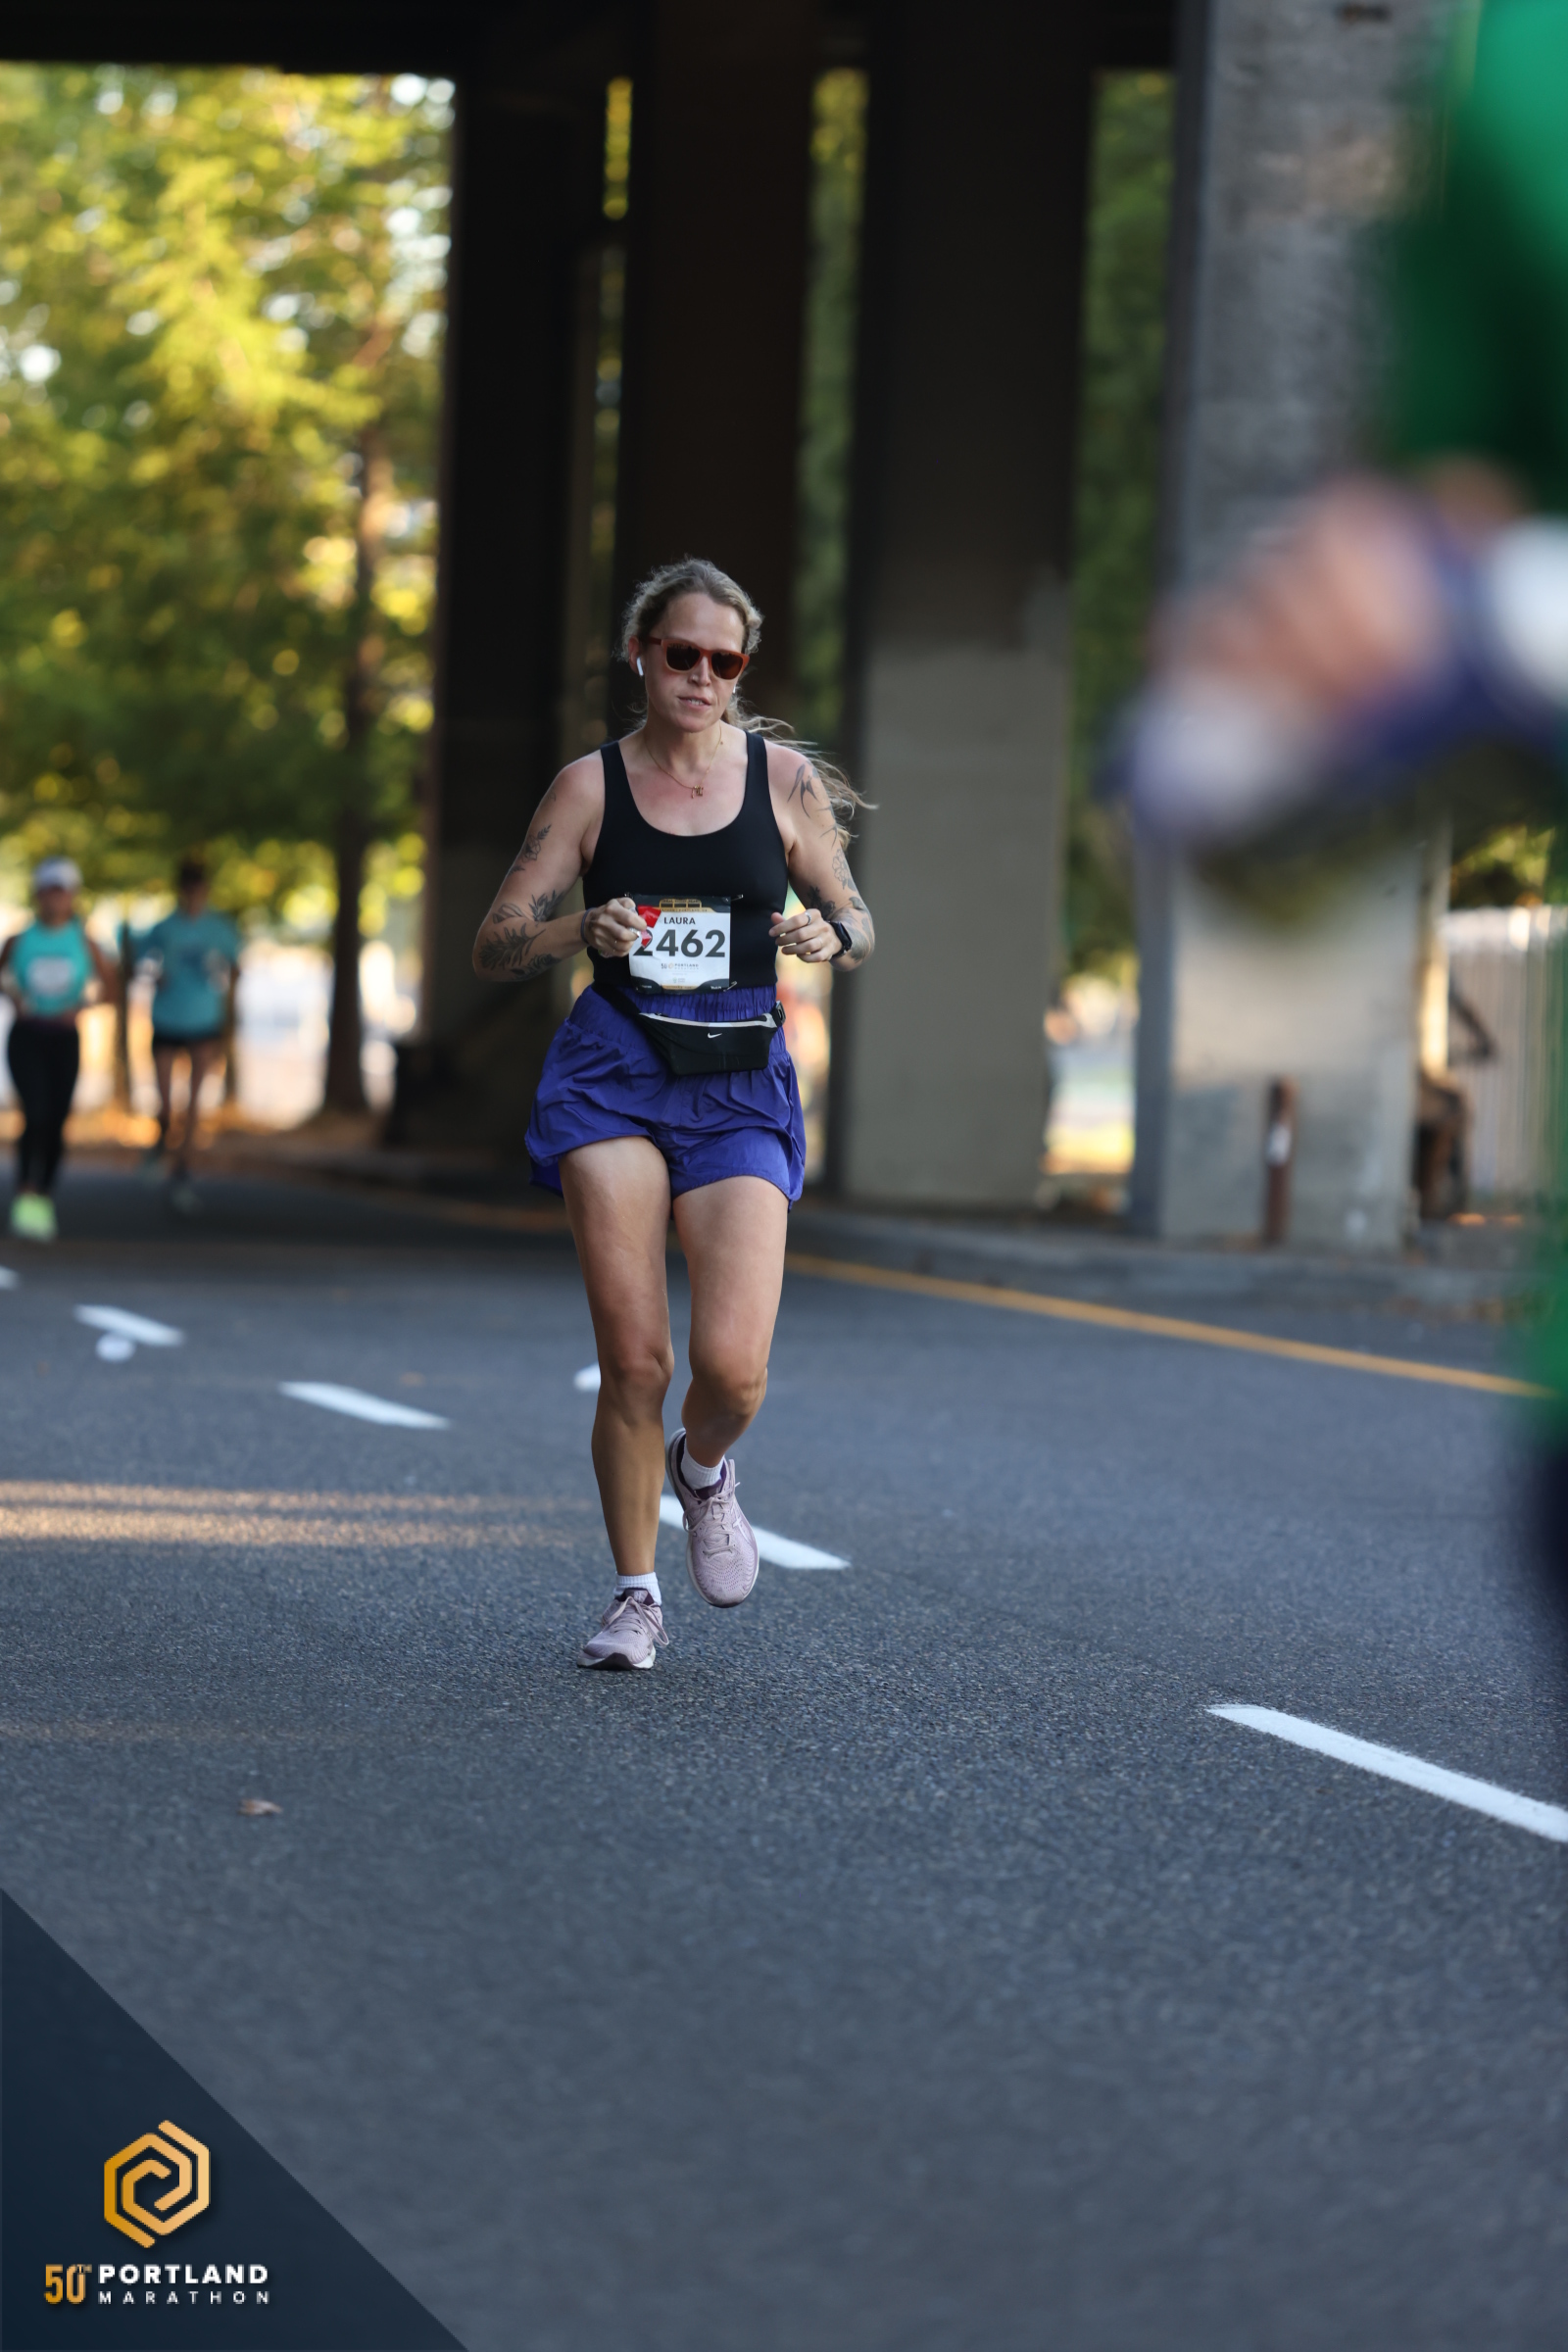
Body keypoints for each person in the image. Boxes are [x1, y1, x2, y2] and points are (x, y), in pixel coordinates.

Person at [473, 558, 875, 1669]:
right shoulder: (588, 787)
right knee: (638, 1360)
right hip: (613, 1069)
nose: (702, 676)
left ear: (742, 669)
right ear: (641, 654)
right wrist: (578, 930)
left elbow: (857, 918)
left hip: (738, 1073)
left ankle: (702, 1471)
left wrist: (830, 933)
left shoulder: (783, 781)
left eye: (725, 661)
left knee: (733, 1370)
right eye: (682, 653)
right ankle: (634, 1596)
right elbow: (496, 941)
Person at [0, 858, 118, 1242]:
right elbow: (2, 977)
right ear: (38, 896)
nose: (55, 899)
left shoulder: (85, 942)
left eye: (62, 892)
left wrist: (80, 1007)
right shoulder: (19, 940)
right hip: (27, 1035)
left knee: (57, 1119)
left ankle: (44, 1194)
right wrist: (14, 998)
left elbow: (110, 990)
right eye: (49, 892)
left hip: (64, 1038)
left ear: (72, 896)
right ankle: (25, 1192)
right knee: (34, 1113)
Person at [128, 858, 241, 1214]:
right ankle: (162, 1138)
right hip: (166, 1019)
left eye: (198, 888)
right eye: (188, 888)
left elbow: (236, 966)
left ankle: (182, 1174)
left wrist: (226, 995)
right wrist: (154, 975)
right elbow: (140, 961)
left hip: (204, 1021)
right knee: (165, 1103)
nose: (193, 894)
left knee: (194, 1105)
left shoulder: (220, 928)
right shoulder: (164, 928)